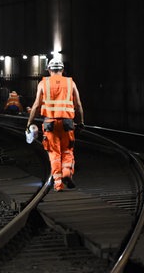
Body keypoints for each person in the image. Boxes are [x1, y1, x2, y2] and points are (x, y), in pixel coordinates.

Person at [26, 58, 85, 192]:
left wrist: (29, 122)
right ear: (63, 70)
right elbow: (79, 105)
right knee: (67, 151)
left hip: (50, 123)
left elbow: (36, 105)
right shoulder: (71, 83)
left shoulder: (43, 83)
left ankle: (58, 183)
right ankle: (66, 173)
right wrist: (81, 122)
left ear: (49, 70)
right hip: (67, 123)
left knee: (54, 153)